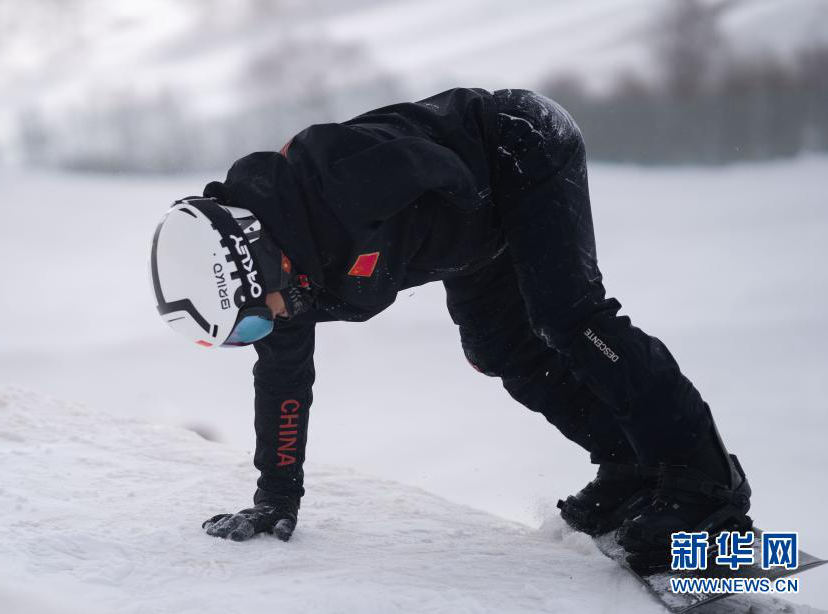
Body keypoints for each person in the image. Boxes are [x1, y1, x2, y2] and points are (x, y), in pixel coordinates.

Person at [149, 88, 752, 569]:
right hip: (473, 240)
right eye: (246, 331)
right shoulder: (286, 284)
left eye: (254, 315)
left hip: (519, 151)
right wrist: (275, 498)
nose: (267, 326)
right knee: (497, 350)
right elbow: (284, 379)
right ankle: (630, 463)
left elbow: (433, 162)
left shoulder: (336, 179)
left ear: (252, 256)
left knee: (569, 316)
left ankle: (706, 484)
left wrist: (494, 228)